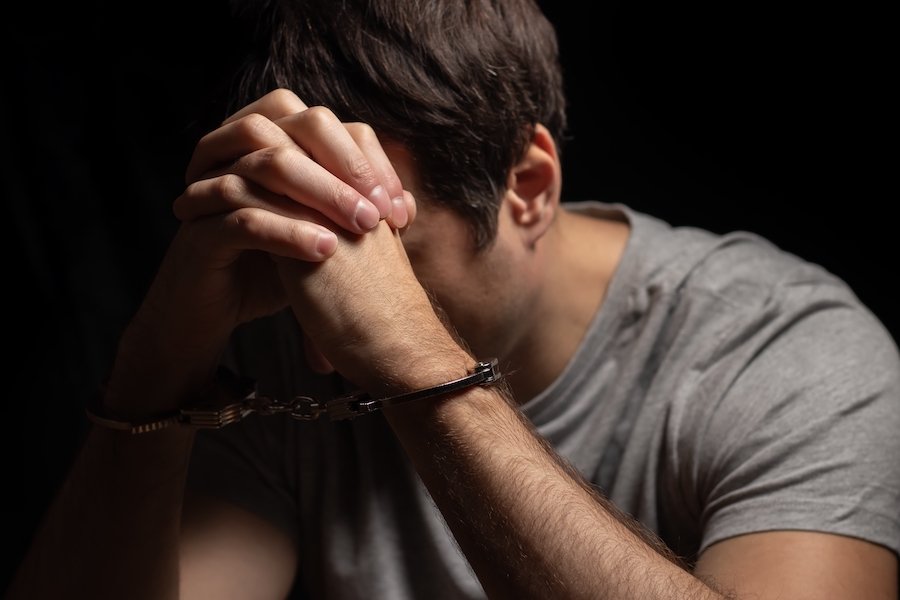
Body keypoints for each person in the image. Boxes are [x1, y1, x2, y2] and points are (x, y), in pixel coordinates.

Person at [8, 0, 899, 598]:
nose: (327, 342)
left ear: (529, 187)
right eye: (311, 257)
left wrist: (413, 362)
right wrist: (157, 366)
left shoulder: (789, 349)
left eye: (383, 255)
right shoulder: (279, 334)